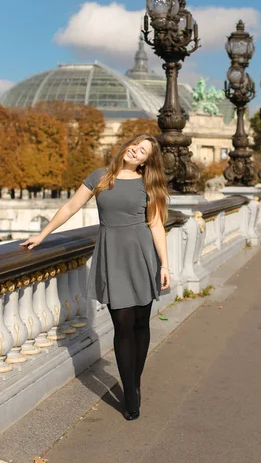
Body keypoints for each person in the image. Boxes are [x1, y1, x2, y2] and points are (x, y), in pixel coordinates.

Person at [21, 134, 170, 421]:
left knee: (141, 324)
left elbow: (155, 224)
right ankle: (130, 395)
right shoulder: (101, 176)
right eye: (135, 146)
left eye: (142, 152)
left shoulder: (148, 184)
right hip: (112, 255)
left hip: (141, 256)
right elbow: (70, 207)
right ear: (127, 146)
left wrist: (164, 265)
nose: (135, 151)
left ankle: (134, 382)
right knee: (123, 325)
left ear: (146, 161)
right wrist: (42, 234)